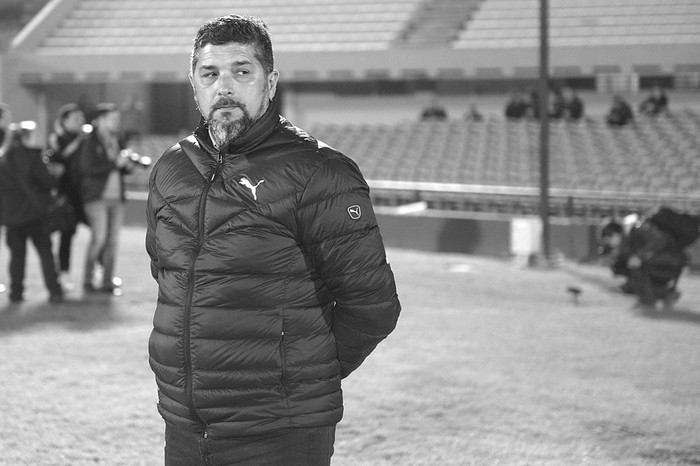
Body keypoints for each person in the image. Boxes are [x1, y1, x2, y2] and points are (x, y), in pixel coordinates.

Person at [145, 14, 401, 465]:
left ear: (270, 81)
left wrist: (292, 379)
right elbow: (168, 275)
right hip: (184, 425)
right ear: (194, 85)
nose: (224, 86)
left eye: (242, 71)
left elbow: (372, 306)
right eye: (210, 74)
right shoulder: (171, 168)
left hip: (279, 431)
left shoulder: (319, 172)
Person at [0, 103, 64, 303]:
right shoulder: (33, 157)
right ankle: (54, 291)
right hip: (35, 213)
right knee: (45, 253)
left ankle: (16, 294)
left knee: (17, 257)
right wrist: (56, 175)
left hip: (11, 214)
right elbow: (48, 182)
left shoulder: (3, 159)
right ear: (26, 137)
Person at [79, 102, 133, 294]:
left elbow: (120, 168)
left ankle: (107, 281)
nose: (116, 122)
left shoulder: (117, 140)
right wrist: (115, 164)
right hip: (96, 197)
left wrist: (127, 165)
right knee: (99, 238)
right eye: (113, 119)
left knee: (113, 240)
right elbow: (87, 169)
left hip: (116, 196)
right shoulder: (89, 141)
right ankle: (87, 279)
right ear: (100, 120)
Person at [46, 103, 88, 287]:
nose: (80, 122)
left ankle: (96, 271)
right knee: (66, 234)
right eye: (76, 118)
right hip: (66, 195)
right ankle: (63, 273)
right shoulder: (57, 137)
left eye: (81, 118)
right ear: (64, 120)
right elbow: (60, 159)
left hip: (86, 193)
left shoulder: (87, 138)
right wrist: (79, 140)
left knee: (100, 233)